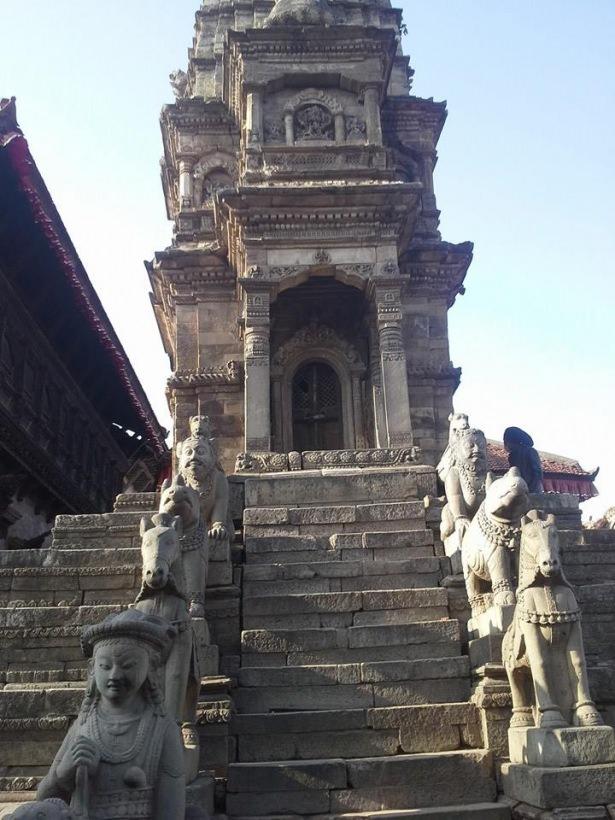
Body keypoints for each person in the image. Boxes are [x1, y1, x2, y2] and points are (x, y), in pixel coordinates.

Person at [37, 609, 185, 820]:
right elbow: (44, 799)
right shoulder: (83, 726)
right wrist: (63, 774)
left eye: (128, 665)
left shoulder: (162, 729)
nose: (115, 675)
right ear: (93, 669)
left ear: (150, 666)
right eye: (105, 666)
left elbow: (171, 811)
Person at [503, 426, 544, 494]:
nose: (505, 445)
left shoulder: (530, 451)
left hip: (533, 490)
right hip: (519, 489)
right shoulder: (512, 456)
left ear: (512, 441)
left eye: (505, 442)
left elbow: (537, 474)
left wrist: (530, 490)